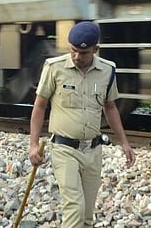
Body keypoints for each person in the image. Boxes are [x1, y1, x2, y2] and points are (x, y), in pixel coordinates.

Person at [29, 21, 136, 228]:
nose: (77, 57)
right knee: (75, 209)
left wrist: (124, 143)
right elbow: (39, 106)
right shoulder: (54, 68)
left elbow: (111, 107)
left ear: (96, 49)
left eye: (83, 53)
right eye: (73, 51)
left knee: (87, 216)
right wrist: (34, 144)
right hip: (64, 150)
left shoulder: (107, 70)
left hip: (93, 152)